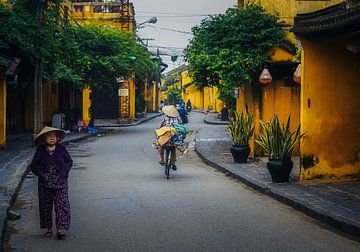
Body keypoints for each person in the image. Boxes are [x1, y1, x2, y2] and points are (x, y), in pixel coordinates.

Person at [30, 126, 73, 239]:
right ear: (44, 138)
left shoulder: (62, 149)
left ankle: (60, 229)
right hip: (45, 184)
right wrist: (42, 174)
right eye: (49, 136)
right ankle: (49, 229)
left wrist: (65, 171)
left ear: (58, 138)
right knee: (46, 206)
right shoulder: (40, 150)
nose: (52, 138)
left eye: (54, 136)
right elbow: (33, 166)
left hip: (60, 183)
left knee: (62, 205)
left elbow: (69, 161)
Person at [158, 105, 182, 169]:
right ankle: (173, 163)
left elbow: (161, 126)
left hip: (167, 136)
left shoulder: (165, 118)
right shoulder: (178, 118)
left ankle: (162, 160)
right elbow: (181, 126)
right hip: (174, 136)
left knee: (161, 145)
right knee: (174, 148)